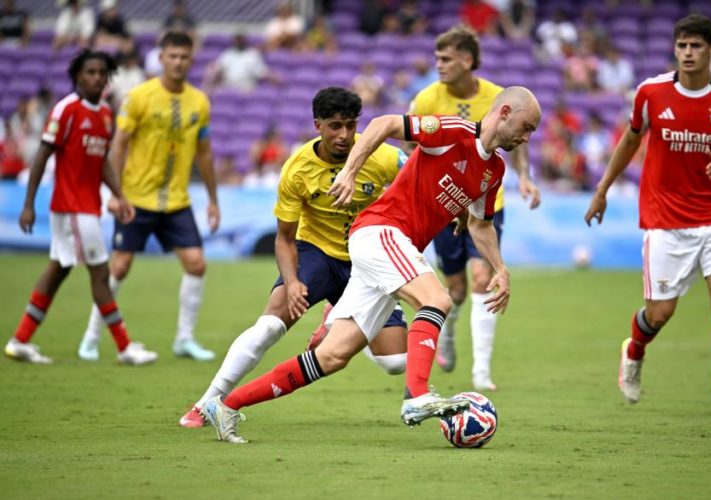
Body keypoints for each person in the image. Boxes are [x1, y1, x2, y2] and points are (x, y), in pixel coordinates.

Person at [200, 87, 542, 443]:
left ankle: (224, 405)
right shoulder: (453, 131)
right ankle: (417, 397)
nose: (527, 136)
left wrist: (500, 268)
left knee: (332, 356)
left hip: (391, 247)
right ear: (503, 112)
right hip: (381, 231)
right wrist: (350, 170)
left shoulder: (495, 170)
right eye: (526, 126)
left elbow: (480, 224)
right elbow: (385, 123)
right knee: (437, 300)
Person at [178, 87, 409, 428]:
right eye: (334, 126)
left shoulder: (384, 157)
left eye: (349, 125)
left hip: (368, 259)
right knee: (270, 325)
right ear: (317, 124)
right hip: (316, 253)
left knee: (395, 362)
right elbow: (284, 238)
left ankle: (339, 320)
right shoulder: (297, 169)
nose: (343, 135)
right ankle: (204, 403)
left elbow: (418, 188)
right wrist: (292, 281)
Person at [584, 15, 711, 417]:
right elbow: (630, 140)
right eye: (682, 46)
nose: (688, 53)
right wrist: (602, 189)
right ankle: (634, 350)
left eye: (696, 46)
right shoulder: (651, 92)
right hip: (665, 217)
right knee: (660, 313)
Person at [407, 25, 540, 391]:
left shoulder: (500, 98)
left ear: (467, 60)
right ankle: (448, 332)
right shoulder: (426, 99)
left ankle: (481, 370)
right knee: (456, 288)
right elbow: (408, 144)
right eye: (436, 58)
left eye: (446, 58)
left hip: (486, 202)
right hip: (446, 206)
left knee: (483, 278)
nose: (439, 64)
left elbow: (518, 138)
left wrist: (525, 177)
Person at [4, 50, 157, 366]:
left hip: (88, 207)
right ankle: (125, 347)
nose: (97, 77)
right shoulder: (66, 110)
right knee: (100, 274)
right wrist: (29, 204)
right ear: (77, 76)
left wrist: (119, 196)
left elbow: (101, 163)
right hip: (72, 208)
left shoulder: (104, 114)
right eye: (90, 72)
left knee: (58, 270)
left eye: (102, 72)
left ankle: (19, 340)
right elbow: (42, 157)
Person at [78, 32, 220, 362]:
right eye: (172, 56)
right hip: (136, 198)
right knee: (120, 266)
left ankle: (184, 339)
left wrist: (213, 200)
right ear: (160, 58)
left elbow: (206, 153)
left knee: (197, 264)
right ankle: (91, 337)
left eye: (184, 57)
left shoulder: (199, 101)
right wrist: (115, 194)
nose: (178, 62)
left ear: (191, 59)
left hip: (176, 201)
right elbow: (119, 144)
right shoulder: (139, 97)